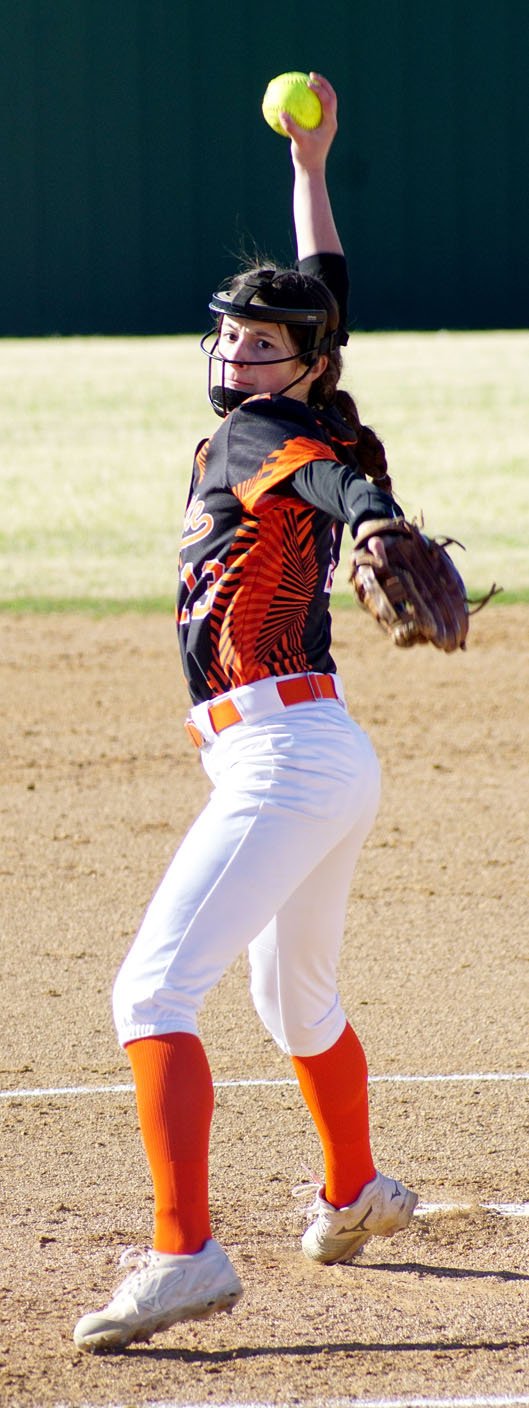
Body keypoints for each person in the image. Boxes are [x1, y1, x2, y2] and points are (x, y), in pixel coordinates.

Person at [73, 73, 418, 1355]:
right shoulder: (300, 391)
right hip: (312, 754)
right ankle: (352, 1190)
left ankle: (184, 1256)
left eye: (261, 342)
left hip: (282, 758)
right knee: (297, 1003)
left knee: (151, 989)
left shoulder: (269, 436)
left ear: (304, 365)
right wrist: (313, 163)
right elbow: (323, 282)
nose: (235, 353)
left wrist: (373, 517)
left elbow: (322, 479)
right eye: (225, 334)